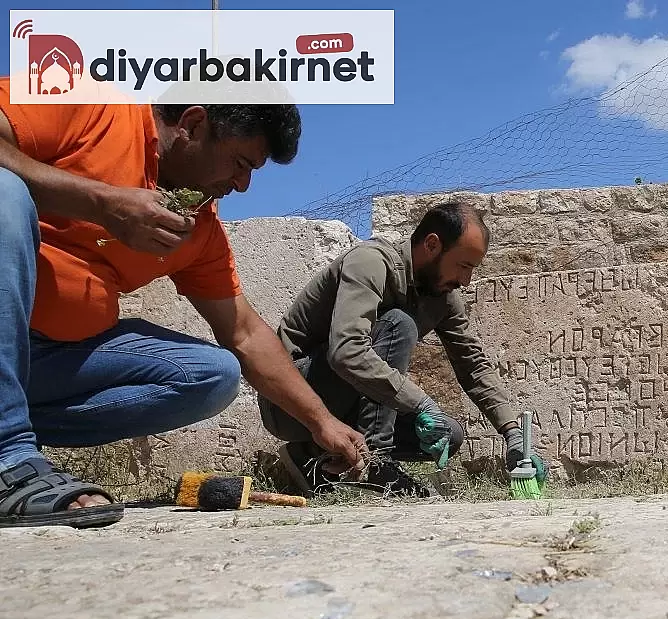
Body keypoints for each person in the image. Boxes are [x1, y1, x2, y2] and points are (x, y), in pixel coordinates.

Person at [0, 77, 369, 529]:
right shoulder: (86, 105)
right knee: (4, 192)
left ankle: (9, 420)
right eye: (240, 163)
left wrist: (321, 422)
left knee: (213, 376)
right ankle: (9, 456)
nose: (243, 185)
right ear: (194, 123)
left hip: (46, 362)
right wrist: (101, 203)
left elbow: (244, 333)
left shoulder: (196, 228)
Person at [260, 201, 547, 496]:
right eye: (463, 266)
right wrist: (422, 403)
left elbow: (473, 366)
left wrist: (512, 434)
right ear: (432, 245)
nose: (465, 281)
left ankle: (312, 457)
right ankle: (376, 466)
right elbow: (346, 350)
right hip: (290, 400)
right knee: (399, 324)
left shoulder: (443, 298)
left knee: (450, 434)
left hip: (340, 406)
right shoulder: (370, 262)